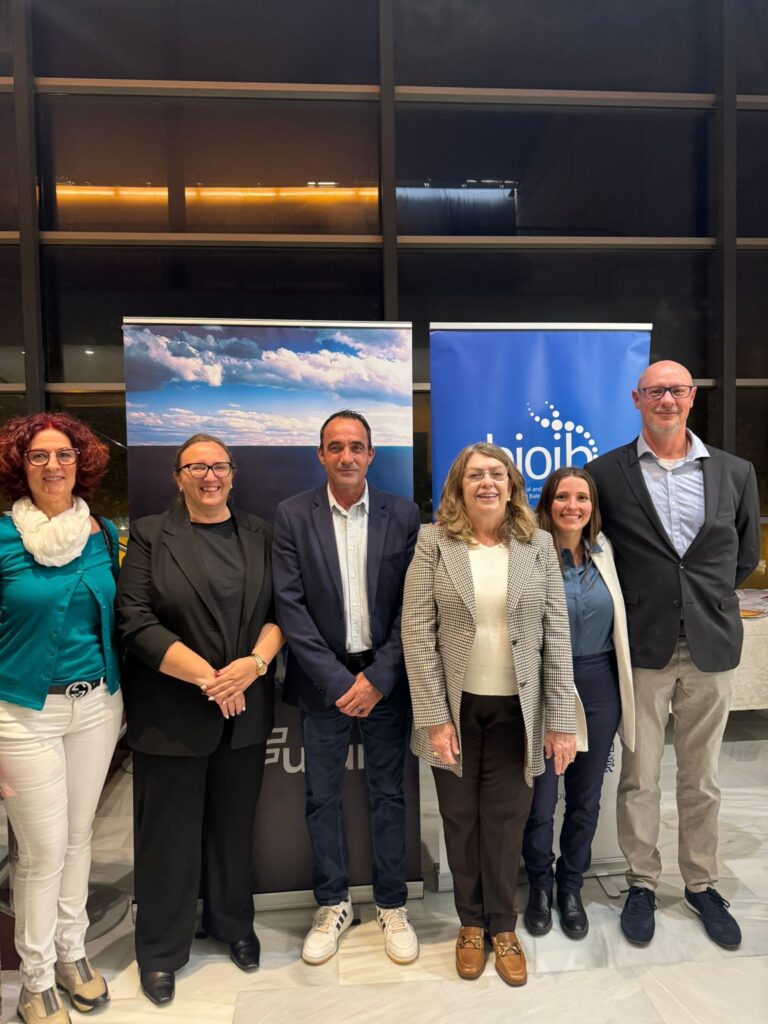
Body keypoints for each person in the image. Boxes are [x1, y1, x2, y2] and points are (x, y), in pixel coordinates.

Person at [587, 360, 760, 950]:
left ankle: (701, 884)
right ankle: (641, 881)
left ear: (692, 397)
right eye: (655, 390)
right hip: (641, 646)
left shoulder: (735, 472)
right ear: (637, 398)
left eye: (677, 390)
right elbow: (597, 551)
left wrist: (702, 601)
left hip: (712, 643)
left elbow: (743, 555)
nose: (667, 399)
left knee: (701, 777)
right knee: (638, 776)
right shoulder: (605, 473)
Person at [401, 442, 581, 986]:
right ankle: (470, 924)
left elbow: (556, 635)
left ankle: (503, 927)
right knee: (459, 818)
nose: (487, 483)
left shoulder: (537, 544)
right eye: (475, 474)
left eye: (496, 475)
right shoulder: (433, 542)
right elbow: (417, 630)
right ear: (458, 485)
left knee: (506, 819)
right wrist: (434, 716)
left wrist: (561, 720)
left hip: (517, 712)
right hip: (454, 709)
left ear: (511, 485)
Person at [116, 433, 283, 1006]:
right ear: (177, 476)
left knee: (234, 828)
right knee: (167, 838)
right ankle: (160, 950)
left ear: (233, 473)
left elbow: (282, 612)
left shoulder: (261, 534)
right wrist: (213, 680)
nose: (209, 476)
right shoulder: (149, 534)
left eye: (218, 466)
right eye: (196, 467)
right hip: (173, 711)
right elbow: (134, 619)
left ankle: (233, 924)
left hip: (245, 708)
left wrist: (252, 667)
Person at [272, 410, 421, 967]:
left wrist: (378, 678)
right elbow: (290, 606)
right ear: (320, 455)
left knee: (389, 795)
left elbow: (414, 605)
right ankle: (332, 903)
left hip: (386, 682)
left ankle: (392, 904)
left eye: (356, 446)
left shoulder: (402, 515)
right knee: (321, 797)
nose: (346, 456)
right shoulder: (292, 515)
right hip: (324, 684)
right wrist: (339, 683)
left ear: (371, 454)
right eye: (335, 447)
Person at [0, 413, 122, 1024]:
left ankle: (72, 954)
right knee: (41, 853)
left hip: (97, 705)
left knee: (78, 839)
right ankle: (36, 979)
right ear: (20, 466)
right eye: (39, 456)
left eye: (65, 454)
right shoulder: (2, 537)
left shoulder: (101, 532)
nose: (54, 466)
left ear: (82, 463)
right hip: (22, 714)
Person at [522, 467, 635, 940]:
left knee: (586, 799)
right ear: (547, 504)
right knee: (541, 800)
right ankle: (539, 886)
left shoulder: (607, 552)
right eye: (562, 497)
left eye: (582, 498)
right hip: (546, 684)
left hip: (599, 684)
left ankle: (571, 886)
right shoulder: (528, 553)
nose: (573, 506)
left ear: (593, 506)